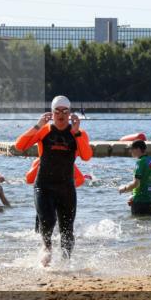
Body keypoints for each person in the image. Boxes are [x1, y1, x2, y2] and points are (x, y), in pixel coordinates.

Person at [15, 95, 92, 266]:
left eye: (65, 111)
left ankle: (66, 264)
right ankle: (46, 247)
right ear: (51, 113)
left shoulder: (78, 133)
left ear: (70, 113)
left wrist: (77, 132)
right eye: (57, 111)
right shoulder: (44, 130)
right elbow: (19, 146)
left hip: (66, 188)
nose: (61, 115)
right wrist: (37, 125)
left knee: (67, 231)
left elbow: (86, 156)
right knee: (47, 220)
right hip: (44, 186)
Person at [118, 139, 151, 216]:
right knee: (149, 221)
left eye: (132, 149)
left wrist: (124, 189)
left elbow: (136, 184)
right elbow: (145, 181)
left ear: (138, 149)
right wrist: (132, 194)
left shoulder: (140, 162)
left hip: (140, 201)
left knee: (137, 221)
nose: (130, 151)